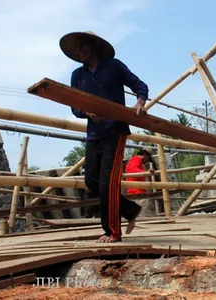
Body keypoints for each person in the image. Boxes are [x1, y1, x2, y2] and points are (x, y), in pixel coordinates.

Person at [61, 31, 149, 243]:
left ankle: (112, 232)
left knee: (108, 182)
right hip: (93, 133)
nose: (79, 51)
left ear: (94, 47)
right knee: (92, 181)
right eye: (77, 49)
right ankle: (129, 210)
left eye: (83, 46)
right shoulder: (78, 76)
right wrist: (88, 114)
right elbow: (75, 108)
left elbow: (140, 86)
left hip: (115, 130)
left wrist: (139, 103)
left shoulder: (114, 66)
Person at [125, 146, 158, 216]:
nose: (147, 161)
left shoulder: (136, 161)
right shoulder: (136, 159)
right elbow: (132, 170)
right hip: (138, 194)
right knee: (144, 216)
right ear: (145, 154)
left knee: (136, 217)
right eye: (148, 158)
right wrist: (146, 172)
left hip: (134, 193)